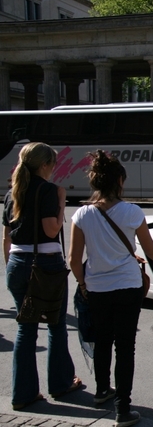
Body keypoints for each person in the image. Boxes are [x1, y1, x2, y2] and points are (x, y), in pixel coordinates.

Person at [69, 150, 153, 427]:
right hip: (127, 286)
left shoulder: (82, 214)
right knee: (125, 347)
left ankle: (101, 391)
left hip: (97, 288)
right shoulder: (132, 211)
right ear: (118, 181)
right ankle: (122, 408)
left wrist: (83, 283)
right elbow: (149, 248)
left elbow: (74, 260)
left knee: (102, 339)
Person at [2, 142, 81, 411]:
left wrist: (11, 266)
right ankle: (60, 384)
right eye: (53, 165)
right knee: (56, 324)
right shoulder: (47, 190)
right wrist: (61, 203)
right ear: (45, 165)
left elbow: (6, 237)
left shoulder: (12, 193)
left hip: (16, 262)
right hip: (45, 264)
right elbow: (51, 230)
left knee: (26, 328)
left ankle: (23, 392)